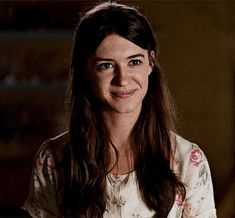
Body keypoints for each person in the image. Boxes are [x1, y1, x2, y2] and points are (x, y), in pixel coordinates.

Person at [22, 2, 216, 217]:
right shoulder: (54, 159)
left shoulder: (188, 161)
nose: (122, 79)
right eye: (106, 65)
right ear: (85, 71)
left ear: (150, 62)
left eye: (134, 62)